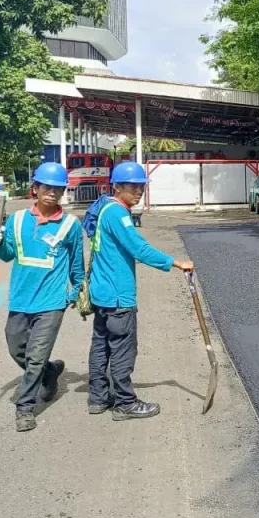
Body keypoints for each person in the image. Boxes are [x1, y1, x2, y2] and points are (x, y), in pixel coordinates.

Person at [87, 161, 194, 420]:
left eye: (141, 188)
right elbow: (139, 249)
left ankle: (98, 398)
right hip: (118, 296)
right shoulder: (118, 214)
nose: (138, 192)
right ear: (117, 186)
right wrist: (176, 262)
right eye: (133, 187)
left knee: (101, 346)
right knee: (123, 348)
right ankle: (125, 403)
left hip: (101, 293)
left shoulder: (104, 209)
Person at [0, 163, 84, 431]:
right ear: (35, 188)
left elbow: (77, 266)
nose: (52, 193)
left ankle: (25, 408)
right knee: (16, 347)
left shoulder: (70, 224)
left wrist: (73, 293)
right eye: (47, 187)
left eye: (58, 189)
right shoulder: (17, 219)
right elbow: (8, 255)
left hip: (52, 302)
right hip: (21, 299)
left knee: (35, 356)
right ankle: (49, 371)